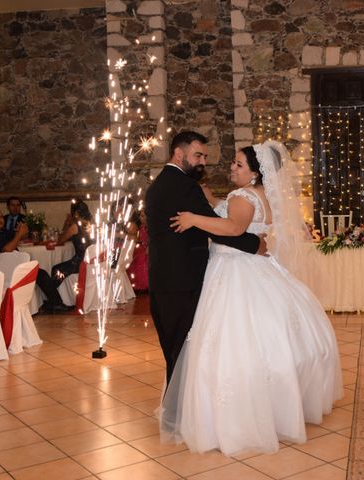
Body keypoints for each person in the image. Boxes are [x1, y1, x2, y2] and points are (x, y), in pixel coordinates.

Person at [160, 141, 343, 456]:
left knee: (230, 342)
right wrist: (214, 200)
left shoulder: (242, 197)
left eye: (239, 164)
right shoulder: (261, 195)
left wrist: (193, 219)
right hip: (258, 267)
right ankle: (277, 407)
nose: (232, 167)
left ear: (256, 173)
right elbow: (241, 218)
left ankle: (235, 417)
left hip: (233, 271)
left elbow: (233, 227)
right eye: (233, 162)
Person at [145, 131, 264, 386]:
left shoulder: (160, 183)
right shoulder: (183, 186)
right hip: (182, 282)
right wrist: (257, 244)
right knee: (180, 353)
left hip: (164, 280)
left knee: (175, 351)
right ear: (179, 154)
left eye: (205, 156)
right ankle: (178, 412)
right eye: (197, 155)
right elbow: (220, 230)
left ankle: (177, 410)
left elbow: (209, 222)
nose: (203, 162)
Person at [0, 206, 68, 312]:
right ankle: (56, 303)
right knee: (41, 274)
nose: (0, 220)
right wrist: (19, 235)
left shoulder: (1, 231)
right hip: (6, 270)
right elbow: (7, 249)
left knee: (39, 271)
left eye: (0, 216)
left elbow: (18, 237)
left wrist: (21, 232)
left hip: (11, 265)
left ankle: (52, 302)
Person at [52, 200, 94, 285]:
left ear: (75, 213)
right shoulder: (92, 224)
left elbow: (61, 240)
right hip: (92, 262)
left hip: (80, 263)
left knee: (56, 269)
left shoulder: (75, 227)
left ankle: (54, 297)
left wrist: (67, 222)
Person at [125, 209, 149, 292]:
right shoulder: (139, 227)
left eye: (144, 216)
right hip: (141, 247)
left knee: (143, 257)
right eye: (141, 216)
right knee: (138, 257)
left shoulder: (150, 227)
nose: (142, 218)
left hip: (148, 248)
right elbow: (133, 238)